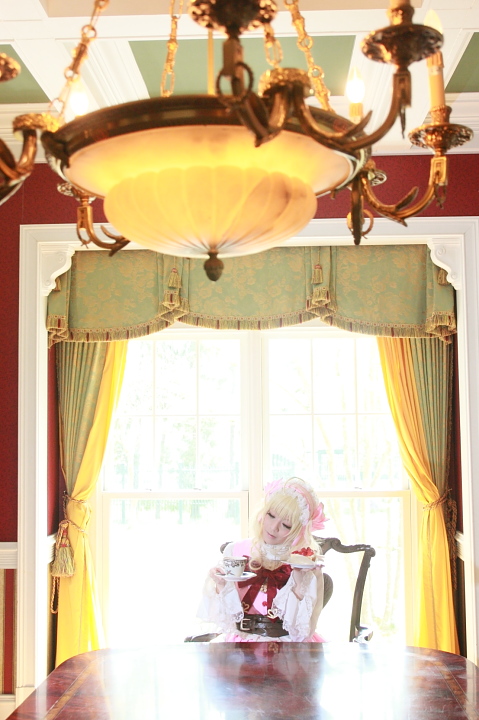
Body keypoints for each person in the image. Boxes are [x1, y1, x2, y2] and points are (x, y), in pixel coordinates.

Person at [197, 477, 328, 642]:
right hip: (242, 641)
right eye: (271, 515)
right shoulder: (235, 551)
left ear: (299, 530)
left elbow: (302, 632)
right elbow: (225, 621)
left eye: (286, 525)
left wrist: (299, 584)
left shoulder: (304, 563)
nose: (273, 527)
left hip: (288, 646)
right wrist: (221, 586)